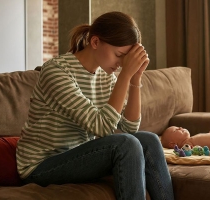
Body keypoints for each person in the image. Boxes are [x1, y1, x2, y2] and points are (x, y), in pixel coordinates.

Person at [16, 11, 174, 200]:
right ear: (95, 42)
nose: (120, 64)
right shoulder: (56, 71)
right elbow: (103, 127)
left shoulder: (105, 75)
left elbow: (129, 128)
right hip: (41, 165)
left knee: (149, 140)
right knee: (126, 144)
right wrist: (124, 76)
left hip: (79, 155)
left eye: (125, 59)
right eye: (119, 55)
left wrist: (134, 79)